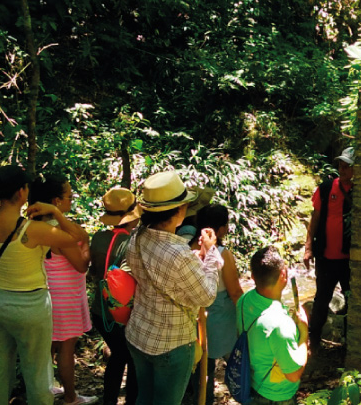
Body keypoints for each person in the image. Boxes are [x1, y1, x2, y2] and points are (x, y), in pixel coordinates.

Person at [0, 165, 89, 405]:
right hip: (29, 305)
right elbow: (79, 237)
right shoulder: (34, 230)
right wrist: (56, 213)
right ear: (22, 192)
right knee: (38, 370)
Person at [125, 170, 223, 405]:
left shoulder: (136, 236)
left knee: (144, 398)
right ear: (180, 211)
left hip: (139, 334)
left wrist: (196, 257)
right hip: (172, 344)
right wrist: (210, 253)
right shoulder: (178, 253)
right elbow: (207, 296)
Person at [30, 173, 96, 405]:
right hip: (65, 294)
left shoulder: (34, 225)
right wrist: (86, 244)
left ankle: (44, 392)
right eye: (69, 195)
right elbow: (80, 265)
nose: (72, 199)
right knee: (67, 348)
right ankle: (70, 397)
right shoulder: (59, 231)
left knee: (47, 346)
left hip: (44, 292)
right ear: (56, 201)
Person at [88, 187, 141, 405]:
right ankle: (130, 401)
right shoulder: (133, 243)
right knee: (132, 359)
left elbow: (93, 272)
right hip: (124, 315)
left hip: (100, 310)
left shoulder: (99, 238)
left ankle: (109, 400)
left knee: (119, 356)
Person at [188, 204, 244, 405]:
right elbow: (235, 292)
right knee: (237, 359)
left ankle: (201, 400)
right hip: (220, 318)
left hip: (193, 318)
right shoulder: (222, 253)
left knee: (202, 368)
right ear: (219, 229)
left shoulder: (187, 248)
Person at [238, 248, 308, 405]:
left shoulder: (244, 300)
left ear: (253, 276)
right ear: (284, 275)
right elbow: (293, 374)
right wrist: (304, 334)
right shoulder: (280, 324)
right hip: (277, 396)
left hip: (251, 383)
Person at [303, 146, 354, 352]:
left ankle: (350, 345)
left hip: (349, 260)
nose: (342, 170)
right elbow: (315, 218)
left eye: (346, 167)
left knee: (352, 300)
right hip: (325, 257)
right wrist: (308, 248)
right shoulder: (325, 189)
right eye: (340, 166)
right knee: (321, 299)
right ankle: (313, 343)